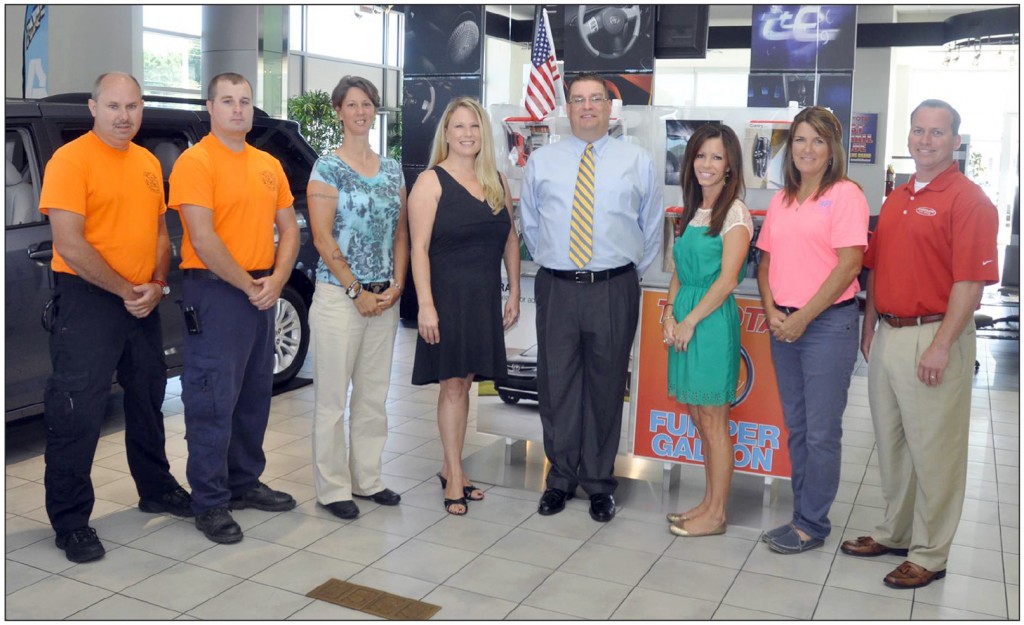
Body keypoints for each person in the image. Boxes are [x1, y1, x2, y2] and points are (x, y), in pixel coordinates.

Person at [840, 100, 998, 589]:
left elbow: (969, 284)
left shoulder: (970, 201)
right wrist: (869, 326)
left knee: (936, 450)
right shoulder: (897, 196)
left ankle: (931, 553)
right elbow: (878, 266)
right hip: (889, 332)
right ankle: (896, 531)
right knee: (892, 445)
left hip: (935, 335)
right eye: (917, 131)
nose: (925, 140)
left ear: (955, 141)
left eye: (936, 132)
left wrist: (941, 345)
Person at [37, 72, 193, 564]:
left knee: (148, 398)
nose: (124, 116)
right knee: (77, 411)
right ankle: (71, 521)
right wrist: (128, 289)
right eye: (113, 106)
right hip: (89, 300)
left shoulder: (147, 162)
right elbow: (69, 242)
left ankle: (156, 487)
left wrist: (156, 285)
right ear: (93, 108)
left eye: (132, 106)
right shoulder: (70, 160)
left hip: (141, 300)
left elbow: (161, 236)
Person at [520, 73, 662, 523]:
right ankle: (559, 479)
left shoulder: (636, 161)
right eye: (578, 99)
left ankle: (599, 483)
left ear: (609, 106)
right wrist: (562, 263)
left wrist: (621, 274)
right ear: (566, 107)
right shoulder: (542, 162)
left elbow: (651, 227)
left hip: (614, 287)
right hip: (558, 287)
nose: (586, 107)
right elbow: (531, 224)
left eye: (595, 99)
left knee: (605, 387)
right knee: (556, 386)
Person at [169, 72, 300, 544]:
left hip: (262, 291)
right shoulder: (196, 162)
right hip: (217, 294)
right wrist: (249, 284)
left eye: (245, 101)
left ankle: (244, 482)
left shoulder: (268, 163)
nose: (238, 109)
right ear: (210, 107)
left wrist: (277, 280)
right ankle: (210, 501)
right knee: (211, 400)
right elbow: (201, 238)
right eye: (228, 101)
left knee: (253, 396)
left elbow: (290, 228)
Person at [755, 106, 869, 554]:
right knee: (798, 429)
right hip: (783, 323)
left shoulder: (845, 195)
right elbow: (765, 264)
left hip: (826, 326)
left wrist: (802, 317)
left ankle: (811, 525)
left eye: (818, 141)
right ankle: (801, 515)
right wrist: (772, 312)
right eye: (800, 139)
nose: (807, 149)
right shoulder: (782, 199)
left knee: (821, 432)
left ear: (832, 149)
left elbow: (849, 265)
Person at [409, 97, 521, 516]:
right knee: (453, 384)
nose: (467, 134)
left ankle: (449, 465)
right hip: (447, 299)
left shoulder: (497, 181)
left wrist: (512, 292)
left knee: (466, 381)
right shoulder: (430, 183)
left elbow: (510, 238)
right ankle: (455, 474)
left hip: (483, 299)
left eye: (474, 126)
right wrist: (425, 306)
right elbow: (418, 249)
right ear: (446, 133)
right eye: (458, 126)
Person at [307, 76, 408, 520]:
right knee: (332, 399)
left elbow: (400, 232)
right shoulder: (326, 168)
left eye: (367, 104)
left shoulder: (392, 169)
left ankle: (367, 479)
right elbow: (322, 237)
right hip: (338, 298)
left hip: (384, 299)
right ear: (339, 111)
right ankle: (333, 489)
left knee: (373, 395)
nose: (360, 111)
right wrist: (354, 289)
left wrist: (397, 282)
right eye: (352, 104)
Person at [662, 124, 752, 537]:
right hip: (684, 323)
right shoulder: (692, 208)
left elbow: (727, 280)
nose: (707, 164)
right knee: (699, 416)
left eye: (717, 157)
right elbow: (680, 272)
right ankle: (708, 502)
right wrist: (668, 314)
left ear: (731, 164)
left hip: (710, 324)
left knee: (714, 419)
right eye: (701, 155)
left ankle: (717, 515)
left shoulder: (735, 212)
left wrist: (690, 321)